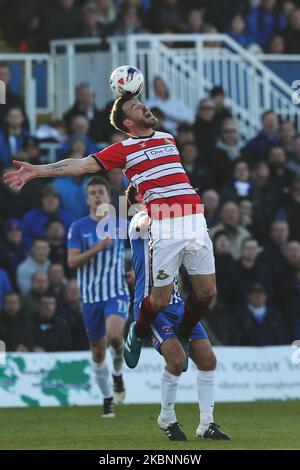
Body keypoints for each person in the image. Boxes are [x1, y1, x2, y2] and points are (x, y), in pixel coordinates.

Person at [4, 93, 217, 375]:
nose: (143, 105)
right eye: (135, 105)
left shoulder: (167, 138)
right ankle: (138, 331)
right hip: (164, 224)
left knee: (206, 293)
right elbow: (79, 165)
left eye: (141, 101)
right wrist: (39, 170)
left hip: (193, 219)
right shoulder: (124, 150)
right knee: (160, 300)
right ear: (127, 122)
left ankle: (185, 331)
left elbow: (172, 178)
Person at [125, 184, 229, 441]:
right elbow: (152, 221)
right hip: (151, 305)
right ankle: (167, 418)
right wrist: (179, 201)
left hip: (177, 304)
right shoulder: (138, 220)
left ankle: (207, 424)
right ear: (139, 198)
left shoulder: (175, 223)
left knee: (207, 360)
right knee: (176, 359)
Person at [68, 176, 130, 417]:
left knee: (115, 336)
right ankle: (107, 398)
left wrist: (134, 271)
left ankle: (117, 373)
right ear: (87, 199)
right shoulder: (78, 227)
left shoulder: (120, 224)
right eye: (92, 192)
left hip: (116, 292)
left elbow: (137, 251)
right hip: (91, 296)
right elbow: (72, 261)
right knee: (97, 350)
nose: (96, 196)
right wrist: (97, 248)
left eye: (100, 192)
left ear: (108, 197)